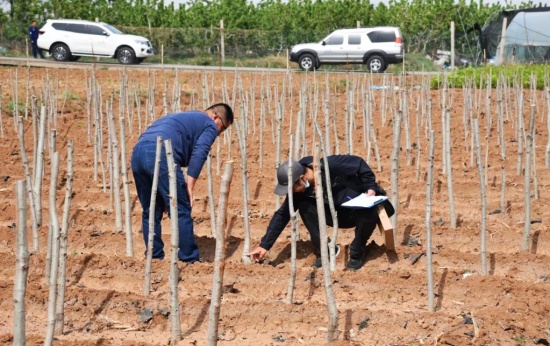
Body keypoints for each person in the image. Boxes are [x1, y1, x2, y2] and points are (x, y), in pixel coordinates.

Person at [247, 155, 394, 271]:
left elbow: (359, 164)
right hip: (330, 214)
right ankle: (325, 249)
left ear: (302, 179)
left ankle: (357, 251)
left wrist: (370, 187)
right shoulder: (299, 191)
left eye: (292, 188)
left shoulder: (331, 164)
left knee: (369, 212)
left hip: (354, 210)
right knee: (304, 206)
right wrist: (264, 245)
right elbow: (282, 215)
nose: (291, 192)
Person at [131, 103, 234, 263]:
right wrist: (189, 187)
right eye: (223, 128)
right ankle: (189, 259)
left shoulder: (185, 117)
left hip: (138, 152)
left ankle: (154, 257)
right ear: (216, 117)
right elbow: (201, 151)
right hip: (162, 152)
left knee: (151, 210)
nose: (219, 133)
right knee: (181, 208)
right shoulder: (209, 124)